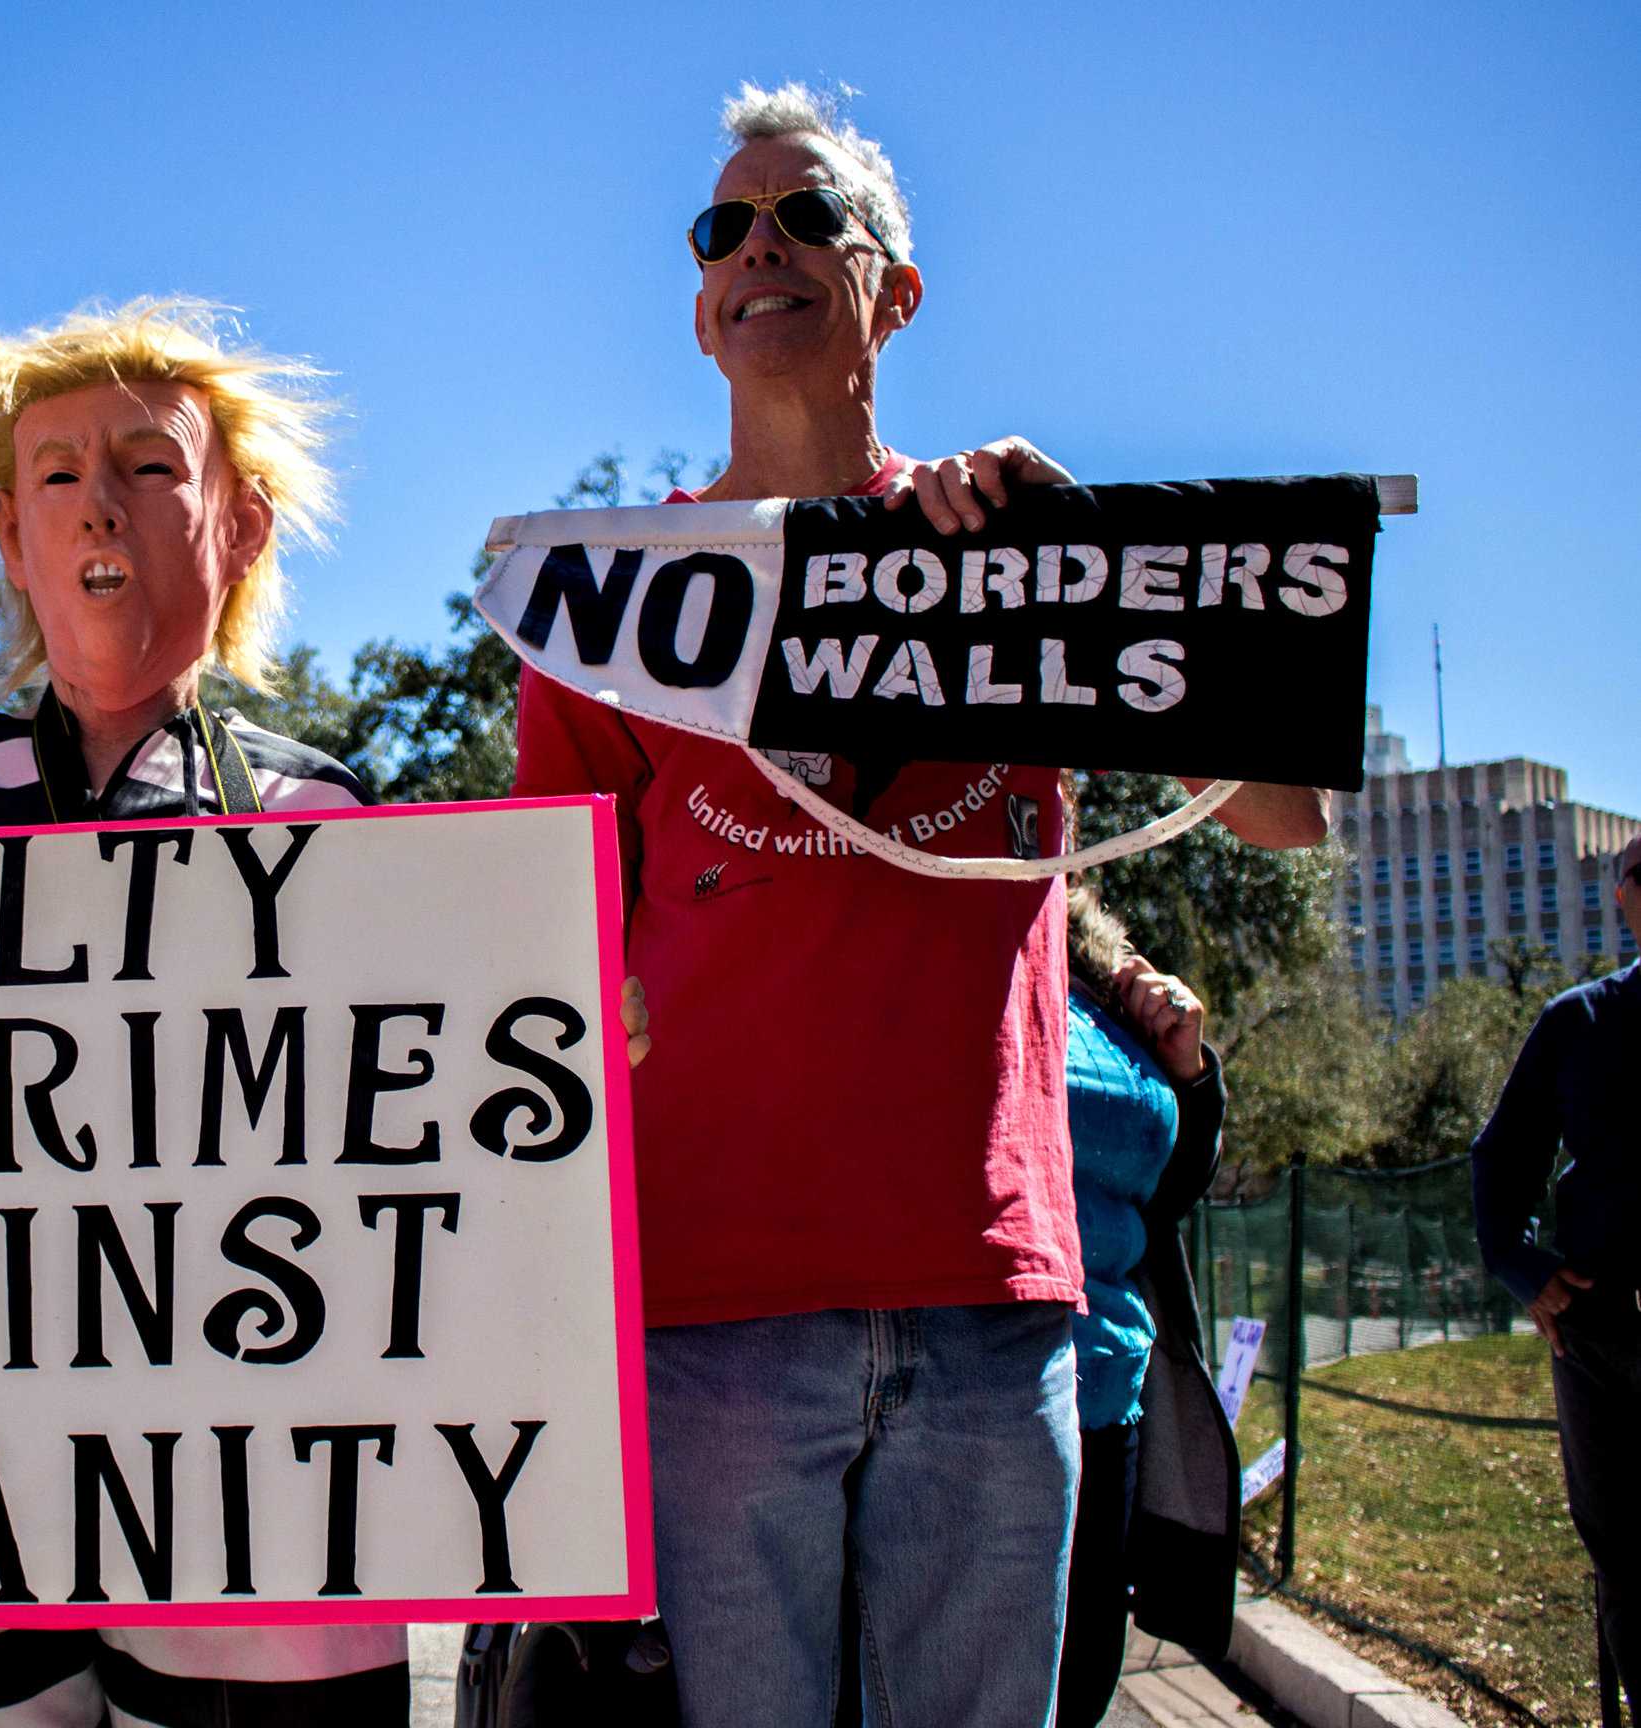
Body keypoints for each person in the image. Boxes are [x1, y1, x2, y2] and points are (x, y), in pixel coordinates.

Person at [507, 81, 1328, 1724]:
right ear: (697, 305)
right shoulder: (608, 597)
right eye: (724, 226)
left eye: (810, 215)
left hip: (991, 1302)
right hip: (711, 1309)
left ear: (895, 288)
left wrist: (1093, 555)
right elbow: (545, 930)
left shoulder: (1019, 560)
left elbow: (1283, 815)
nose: (762, 245)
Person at [0, 298, 414, 1727]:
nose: (102, 503)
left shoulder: (325, 817)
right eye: (59, 473)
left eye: (150, 465)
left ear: (241, 526)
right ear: (13, 540)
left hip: (255, 1487)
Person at [1056, 885, 1236, 1727]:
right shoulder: (943, 939)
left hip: (1107, 1395)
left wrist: (1187, 1072)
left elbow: (1167, 1186)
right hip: (970, 1389)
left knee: (1081, 1684)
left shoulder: (1104, 979)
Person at [1472, 829, 1641, 1712]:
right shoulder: (1579, 1023)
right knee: (1626, 1563)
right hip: (1604, 1338)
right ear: (1622, 895)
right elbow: (1502, 1158)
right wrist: (1518, 1262)